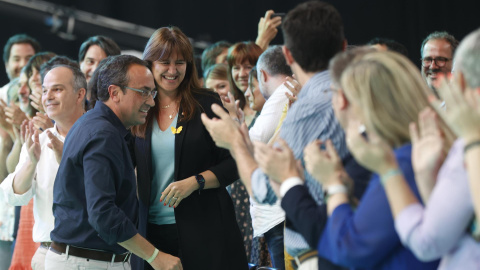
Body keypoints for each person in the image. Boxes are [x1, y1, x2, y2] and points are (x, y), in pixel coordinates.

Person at [202, 2, 370, 269]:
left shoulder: (303, 109)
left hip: (323, 253)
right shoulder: (361, 94)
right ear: (342, 47)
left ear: (288, 55)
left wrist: (235, 142)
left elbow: (263, 189)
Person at [47, 55, 182, 270]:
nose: (152, 101)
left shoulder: (94, 124)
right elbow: (103, 213)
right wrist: (155, 256)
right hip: (87, 262)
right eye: (144, 92)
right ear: (114, 93)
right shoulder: (103, 134)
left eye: (153, 92)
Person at [131, 26, 247, 270]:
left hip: (206, 232)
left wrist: (195, 182)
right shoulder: (138, 108)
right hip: (151, 234)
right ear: (150, 64)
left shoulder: (206, 103)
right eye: (165, 62)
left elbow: (234, 162)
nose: (173, 71)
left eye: (180, 62)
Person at [1, 63, 85, 270]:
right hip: (47, 254)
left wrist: (66, 156)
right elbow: (14, 196)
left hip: (92, 256)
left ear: (80, 94)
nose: (48, 97)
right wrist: (31, 161)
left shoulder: (100, 137)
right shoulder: (39, 139)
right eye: (45, 90)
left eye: (57, 89)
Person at [227, 41, 263, 126]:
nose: (241, 74)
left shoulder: (269, 105)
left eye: (248, 67)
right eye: (236, 68)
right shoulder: (231, 107)